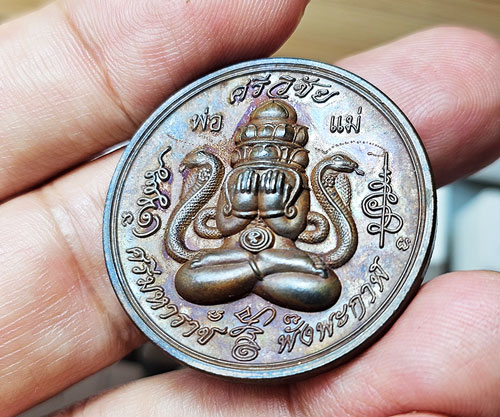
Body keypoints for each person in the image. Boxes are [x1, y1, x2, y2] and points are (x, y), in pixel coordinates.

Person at [0, 1, 499, 416]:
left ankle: (255, 273)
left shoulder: (295, 180)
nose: (265, 153)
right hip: (237, 255)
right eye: (256, 144)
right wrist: (238, 210)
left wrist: (280, 215)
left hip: (282, 256)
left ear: (292, 152)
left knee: (325, 286)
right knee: (187, 279)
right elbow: (220, 224)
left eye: (275, 146)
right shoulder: (235, 177)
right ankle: (253, 272)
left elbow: (299, 227)